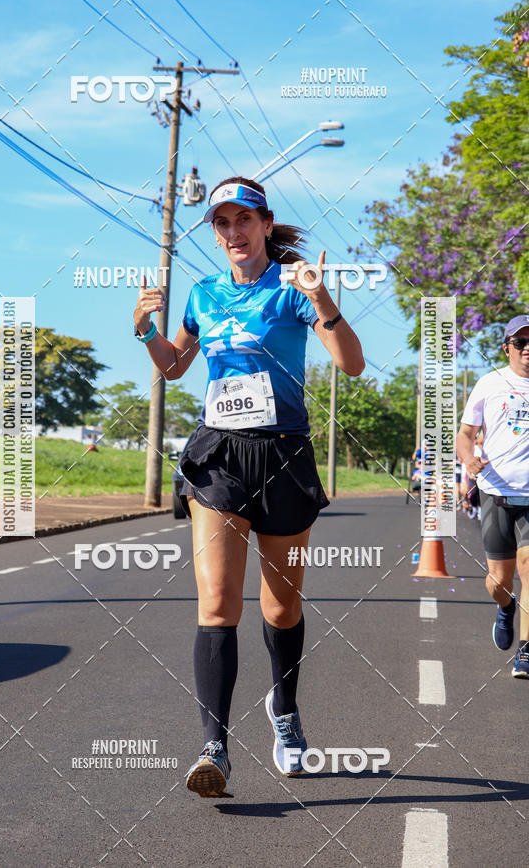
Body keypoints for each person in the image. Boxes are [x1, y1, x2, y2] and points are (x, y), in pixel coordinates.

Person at [133, 176, 364, 796]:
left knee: (281, 606)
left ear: (266, 225)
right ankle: (215, 749)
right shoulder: (203, 295)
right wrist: (147, 331)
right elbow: (177, 367)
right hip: (219, 456)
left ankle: (284, 714)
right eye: (222, 224)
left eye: (244, 221)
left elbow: (351, 363)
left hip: (284, 454)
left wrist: (323, 302)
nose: (233, 233)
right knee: (217, 604)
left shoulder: (292, 290)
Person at [456, 315, 529, 677]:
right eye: (521, 342)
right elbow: (465, 433)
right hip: (496, 490)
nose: (528, 348)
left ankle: (527, 649)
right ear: (507, 348)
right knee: (499, 580)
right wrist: (469, 459)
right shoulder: (490, 383)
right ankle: (505, 606)